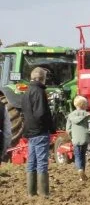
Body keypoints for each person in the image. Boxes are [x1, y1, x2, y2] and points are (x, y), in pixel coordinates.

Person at [19, 67, 53, 197]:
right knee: (42, 162)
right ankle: (44, 193)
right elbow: (41, 113)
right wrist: (49, 127)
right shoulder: (39, 92)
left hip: (30, 131)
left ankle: (31, 193)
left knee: (31, 162)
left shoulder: (27, 92)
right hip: (40, 131)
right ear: (42, 78)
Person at [67, 95, 90, 183]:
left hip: (75, 138)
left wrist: (72, 137)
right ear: (85, 105)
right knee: (83, 155)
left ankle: (79, 170)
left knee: (77, 156)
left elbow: (68, 129)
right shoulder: (88, 115)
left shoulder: (70, 116)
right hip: (84, 138)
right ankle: (83, 173)